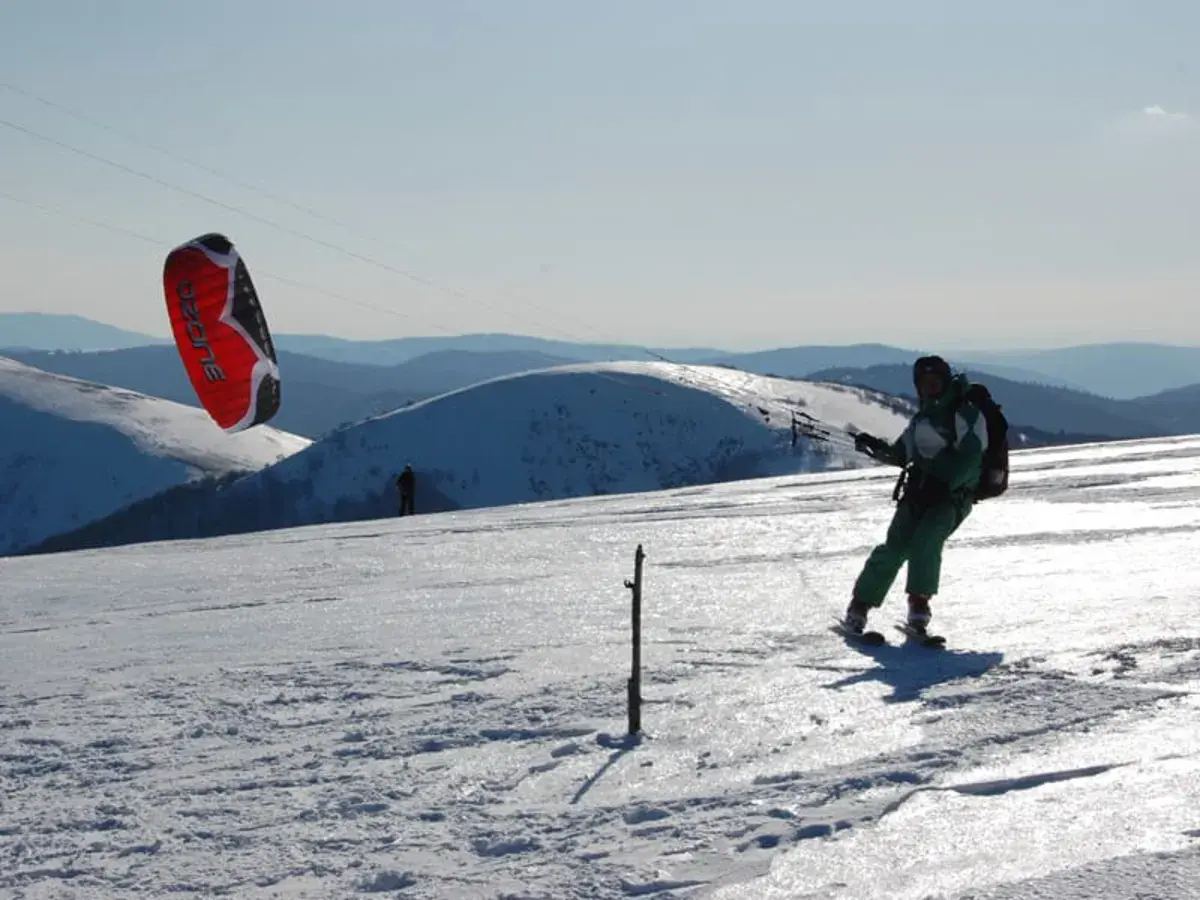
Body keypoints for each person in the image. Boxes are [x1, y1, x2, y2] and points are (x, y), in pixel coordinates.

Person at [842, 355, 988, 636]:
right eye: (924, 383)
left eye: (936, 382)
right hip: (918, 492)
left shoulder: (966, 413)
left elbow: (971, 457)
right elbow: (902, 454)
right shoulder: (922, 417)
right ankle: (860, 605)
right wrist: (874, 447)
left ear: (946, 382)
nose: (931, 387)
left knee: (926, 543)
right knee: (894, 547)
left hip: (951, 497)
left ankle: (919, 605)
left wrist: (946, 483)